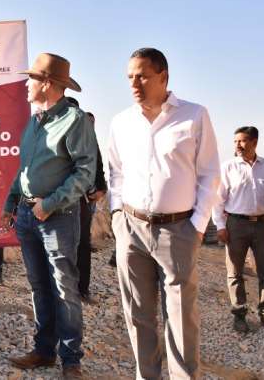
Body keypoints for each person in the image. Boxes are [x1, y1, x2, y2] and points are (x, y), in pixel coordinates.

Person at [108, 48, 220, 379]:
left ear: (163, 77)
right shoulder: (121, 122)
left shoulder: (194, 116)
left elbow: (209, 174)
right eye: (130, 76)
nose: (134, 83)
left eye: (142, 75)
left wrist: (197, 226)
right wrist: (116, 217)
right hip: (131, 229)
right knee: (138, 314)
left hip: (178, 230)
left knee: (181, 317)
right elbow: (115, 173)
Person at [2, 53, 97, 380]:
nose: (26, 85)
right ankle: (43, 351)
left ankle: (71, 360)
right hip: (28, 216)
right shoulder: (33, 121)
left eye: (31, 79)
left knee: (64, 289)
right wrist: (11, 201)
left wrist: (51, 203)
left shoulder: (75, 119)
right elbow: (24, 170)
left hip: (56, 217)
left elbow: (85, 172)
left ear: (47, 84)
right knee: (39, 286)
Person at [211, 126, 264, 334]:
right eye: (235, 142)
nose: (238, 145)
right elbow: (218, 199)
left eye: (242, 141)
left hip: (262, 224)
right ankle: (239, 314)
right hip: (236, 225)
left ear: (254, 142)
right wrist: (221, 226)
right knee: (234, 272)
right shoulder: (228, 167)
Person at [66, 101, 107, 302]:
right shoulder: (51, 128)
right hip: (59, 197)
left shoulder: (86, 130)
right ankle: (65, 290)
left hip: (82, 197)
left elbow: (97, 158)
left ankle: (82, 289)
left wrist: (101, 186)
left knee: (82, 243)